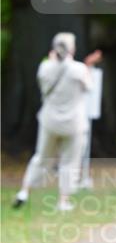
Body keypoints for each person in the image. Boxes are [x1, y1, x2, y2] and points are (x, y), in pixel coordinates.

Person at [13, 33, 102, 211]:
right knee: (70, 162)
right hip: (74, 123)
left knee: (41, 158)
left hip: (49, 121)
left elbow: (43, 83)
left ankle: (24, 191)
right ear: (72, 49)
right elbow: (89, 86)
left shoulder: (45, 67)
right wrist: (88, 64)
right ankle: (63, 201)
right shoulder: (79, 69)